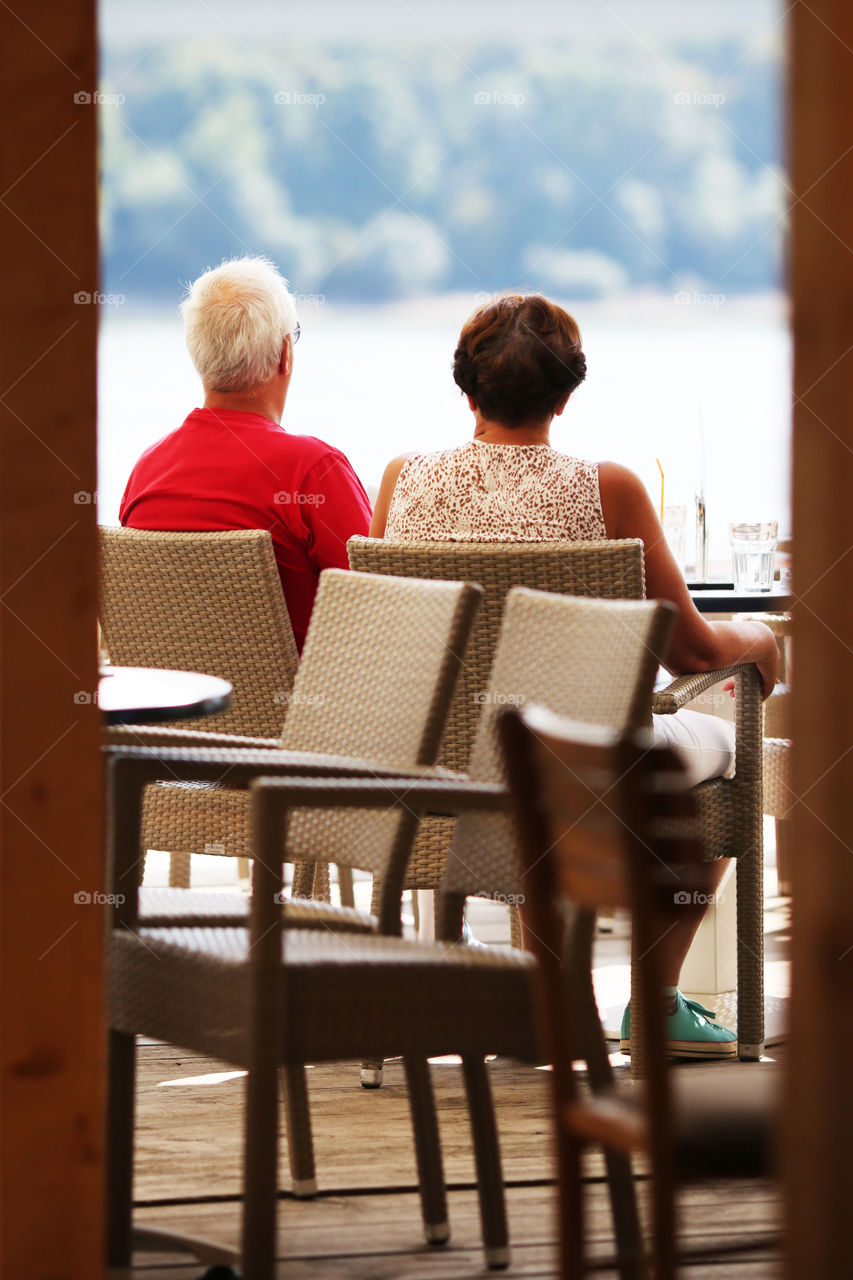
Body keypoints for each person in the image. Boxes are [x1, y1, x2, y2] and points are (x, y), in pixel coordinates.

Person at [370, 292, 780, 1059]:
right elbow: (688, 654)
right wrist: (758, 639)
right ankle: (652, 997)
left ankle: (546, 992)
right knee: (727, 751)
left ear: (466, 391)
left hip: (441, 769)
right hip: (576, 767)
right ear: (565, 395)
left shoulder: (401, 480)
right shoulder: (609, 489)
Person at [120, 256, 371, 651]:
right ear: (285, 353)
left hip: (175, 708)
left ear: (198, 357)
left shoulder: (147, 472)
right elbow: (381, 612)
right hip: (303, 711)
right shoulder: (313, 471)